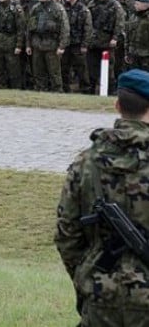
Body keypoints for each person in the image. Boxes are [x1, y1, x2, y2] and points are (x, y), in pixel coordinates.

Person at [55, 68, 149, 325]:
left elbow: (67, 235)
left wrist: (89, 276)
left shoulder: (86, 162)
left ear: (117, 105)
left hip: (99, 295)